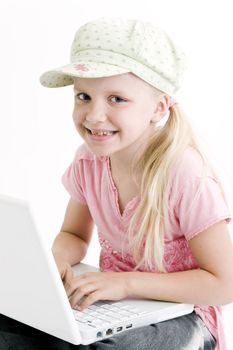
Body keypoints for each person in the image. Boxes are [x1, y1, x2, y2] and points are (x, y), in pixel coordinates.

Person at [1, 17, 233, 350]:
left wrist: (125, 284)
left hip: (183, 314)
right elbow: (74, 235)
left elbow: (224, 283)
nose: (94, 115)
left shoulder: (186, 175)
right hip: (114, 303)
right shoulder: (88, 162)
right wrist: (56, 264)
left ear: (159, 107)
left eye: (116, 99)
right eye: (83, 96)